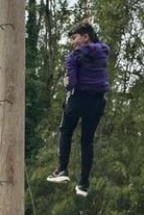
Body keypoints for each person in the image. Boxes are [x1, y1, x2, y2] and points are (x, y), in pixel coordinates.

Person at [46, 21, 110, 196]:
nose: (72, 42)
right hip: (97, 101)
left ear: (85, 37)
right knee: (87, 140)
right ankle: (83, 184)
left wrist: (66, 82)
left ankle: (62, 169)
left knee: (66, 131)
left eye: (74, 38)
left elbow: (71, 82)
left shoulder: (74, 57)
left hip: (79, 98)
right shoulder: (102, 53)